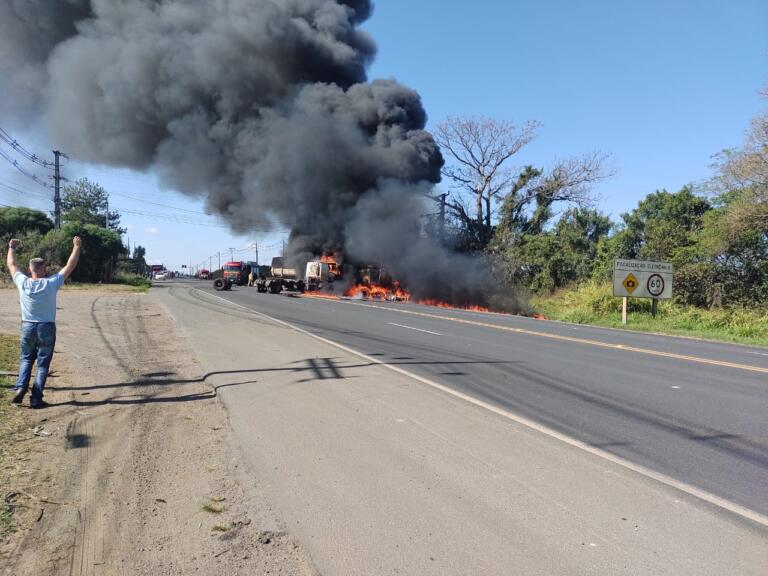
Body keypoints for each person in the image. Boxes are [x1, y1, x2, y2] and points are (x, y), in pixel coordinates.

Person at [6, 237, 82, 408]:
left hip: (27, 325)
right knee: (42, 364)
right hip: (46, 326)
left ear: (29, 269)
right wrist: (76, 247)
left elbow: (11, 264)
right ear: (45, 269)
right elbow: (70, 265)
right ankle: (36, 398)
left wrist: (11, 247)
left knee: (26, 359)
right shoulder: (51, 283)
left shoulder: (22, 282)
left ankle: (20, 388)